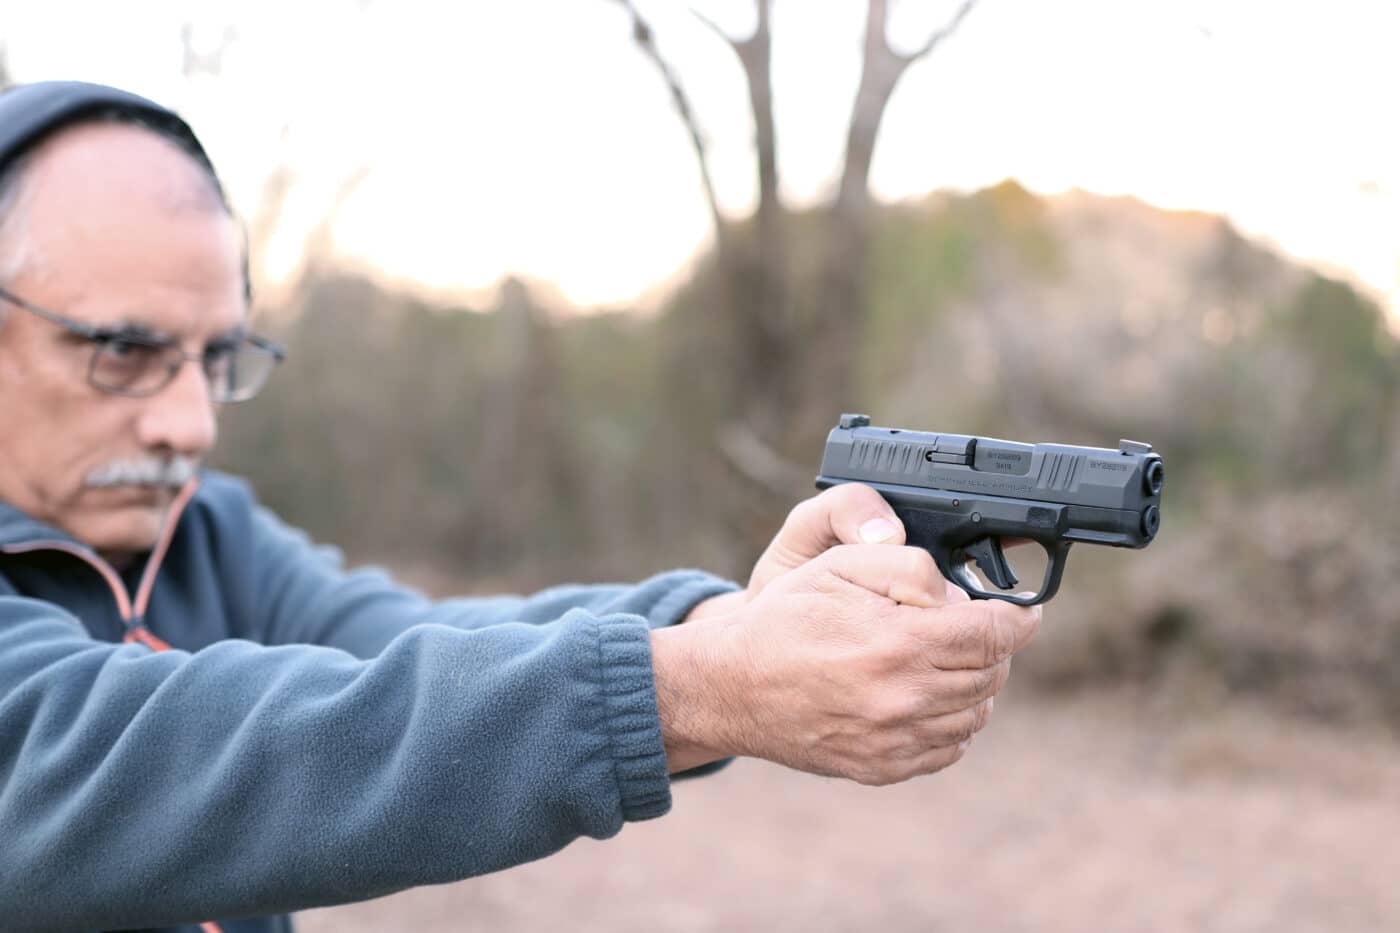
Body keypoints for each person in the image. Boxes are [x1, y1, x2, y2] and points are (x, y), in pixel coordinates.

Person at [0, 81, 1042, 933]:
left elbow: (404, 647)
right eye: (124, 352)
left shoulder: (202, 532)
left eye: (216, 358)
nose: (189, 423)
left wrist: (732, 629)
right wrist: (691, 686)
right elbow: (145, 754)